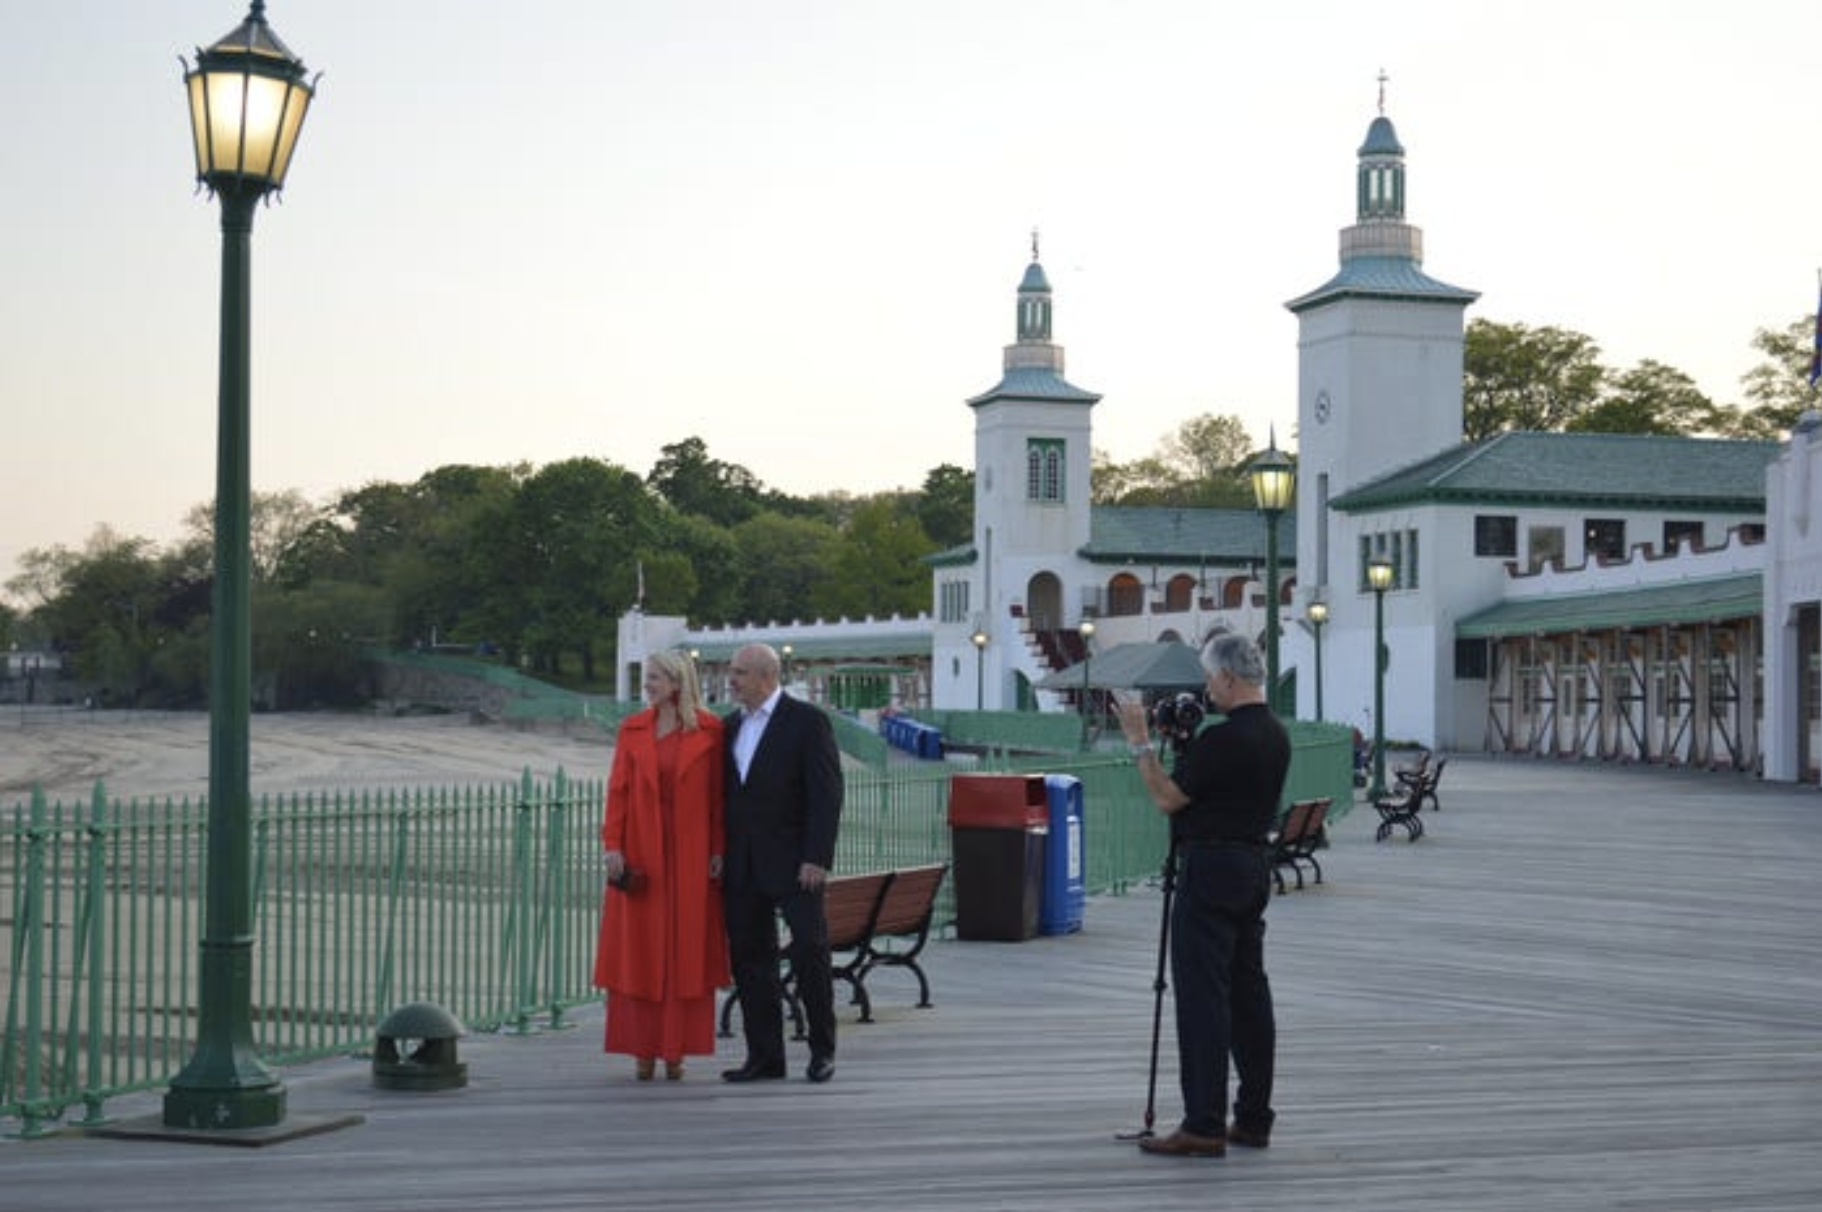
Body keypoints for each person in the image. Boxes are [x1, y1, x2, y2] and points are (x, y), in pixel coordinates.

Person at [1116, 631, 1290, 1158]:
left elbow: (1169, 798)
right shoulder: (1275, 735)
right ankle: (1254, 1117)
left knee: (1202, 999)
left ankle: (1204, 1123)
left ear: (1229, 678)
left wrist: (1141, 742)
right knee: (1248, 995)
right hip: (1253, 867)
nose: (1207, 689)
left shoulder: (1224, 739)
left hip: (1210, 870)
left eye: (1211, 678)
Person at [593, 649, 730, 1082]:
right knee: (642, 951)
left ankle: (676, 1052)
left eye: (653, 678)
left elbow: (719, 800)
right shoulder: (632, 729)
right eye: (646, 678)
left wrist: (718, 849)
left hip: (691, 857)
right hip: (642, 853)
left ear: (676, 682)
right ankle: (642, 1050)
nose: (646, 685)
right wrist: (612, 845)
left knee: (684, 951)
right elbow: (618, 792)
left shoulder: (710, 730)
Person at [720, 642, 844, 1084]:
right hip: (743, 865)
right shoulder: (729, 726)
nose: (731, 680)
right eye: (731, 672)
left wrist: (817, 856)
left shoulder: (807, 722)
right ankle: (765, 1056)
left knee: (810, 953)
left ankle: (822, 1050)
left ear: (766, 676)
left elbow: (826, 795)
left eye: (739, 673)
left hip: (796, 864)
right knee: (751, 961)